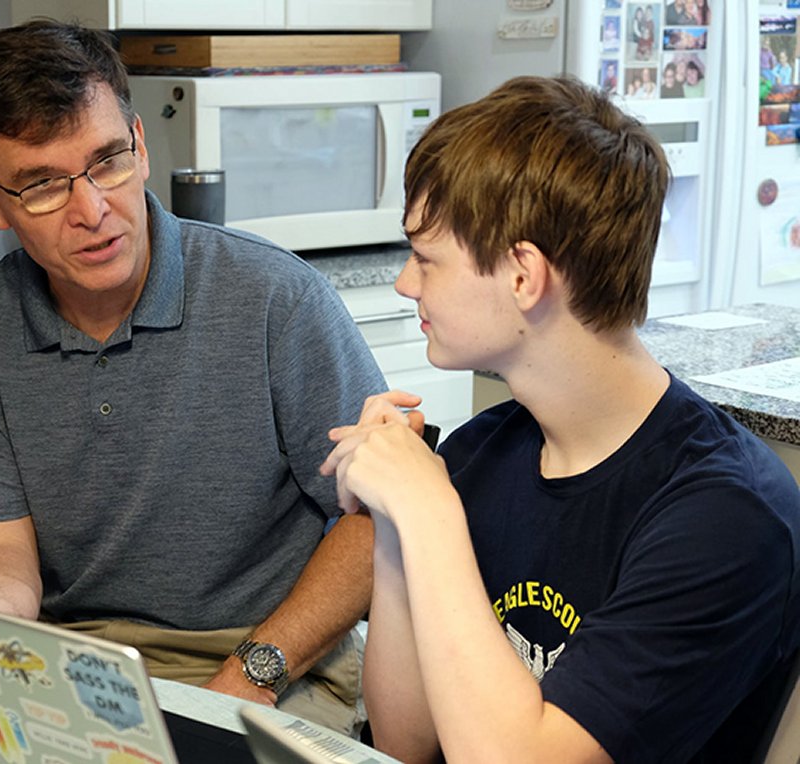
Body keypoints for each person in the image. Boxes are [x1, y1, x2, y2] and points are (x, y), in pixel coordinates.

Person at [320, 75, 800, 762]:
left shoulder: (727, 516)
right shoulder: (481, 451)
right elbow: (408, 742)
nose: (404, 282)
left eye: (427, 258)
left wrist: (429, 513)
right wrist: (396, 523)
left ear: (523, 276)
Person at [0, 19, 386, 736]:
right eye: (43, 186)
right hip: (83, 662)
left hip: (274, 656)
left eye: (107, 160)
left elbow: (373, 523)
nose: (93, 211)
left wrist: (249, 674)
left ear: (140, 147)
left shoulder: (276, 298)